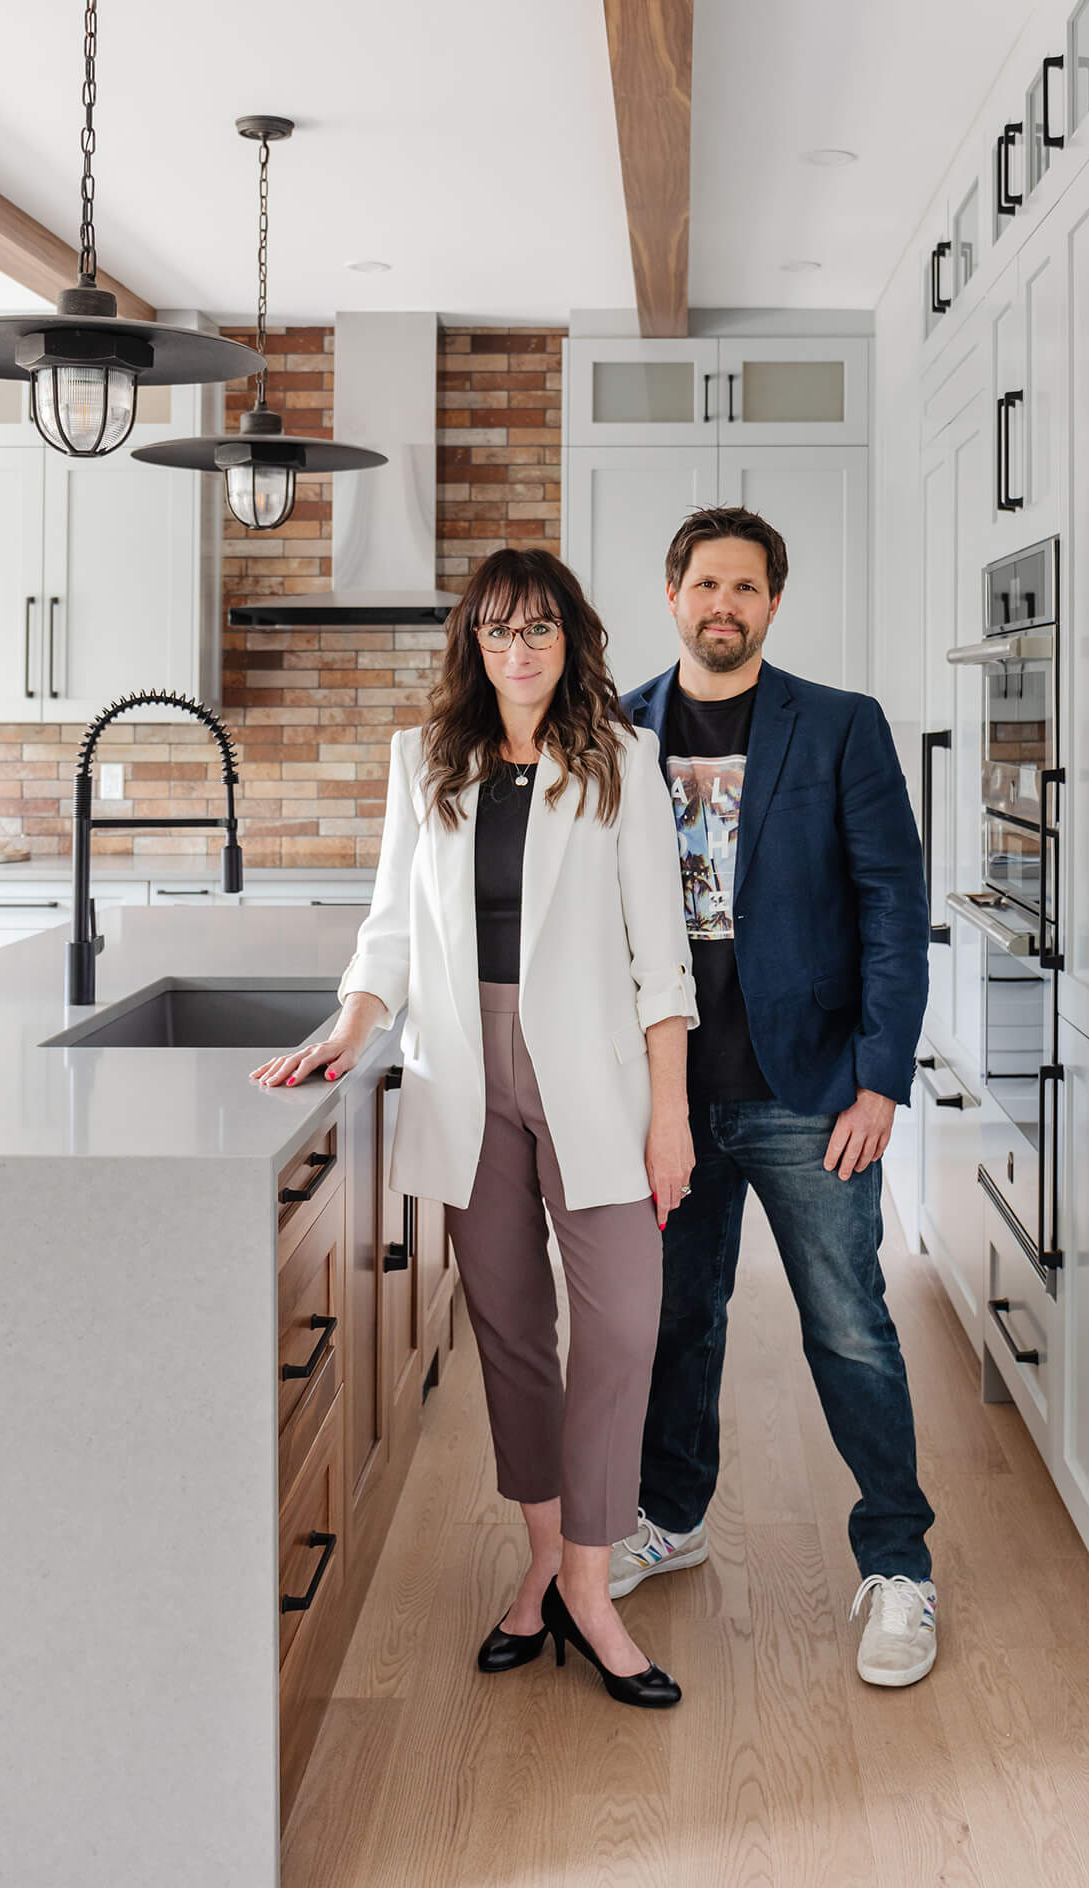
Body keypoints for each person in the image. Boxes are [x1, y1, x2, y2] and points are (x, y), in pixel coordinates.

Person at [250, 548, 696, 1710]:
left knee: (621, 1328)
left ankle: (594, 1592)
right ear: (473, 645)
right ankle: (547, 1564)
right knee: (506, 1329)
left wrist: (671, 1121)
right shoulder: (424, 765)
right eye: (499, 632)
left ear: (570, 639)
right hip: (467, 1076)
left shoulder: (620, 763)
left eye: (540, 629)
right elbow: (390, 934)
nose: (520, 651)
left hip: (594, 1081)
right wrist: (344, 1030)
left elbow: (662, 962)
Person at [608, 504, 940, 1688]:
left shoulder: (840, 728)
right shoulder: (615, 732)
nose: (723, 606)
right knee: (674, 1324)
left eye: (745, 588)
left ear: (772, 604)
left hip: (810, 1097)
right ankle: (669, 1515)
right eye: (705, 584)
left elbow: (895, 910)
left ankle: (898, 1567)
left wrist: (879, 1083)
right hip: (669, 1100)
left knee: (848, 1330)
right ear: (671, 594)